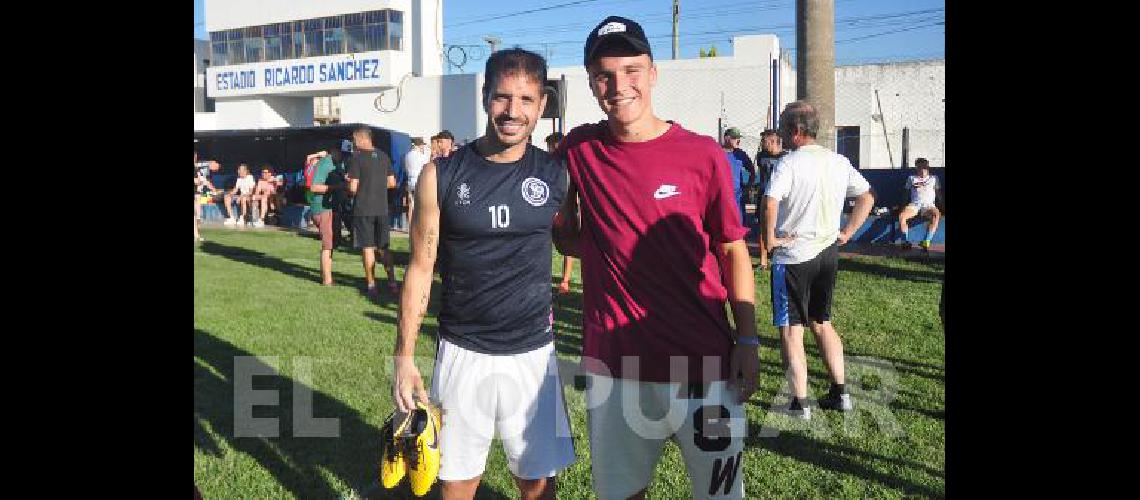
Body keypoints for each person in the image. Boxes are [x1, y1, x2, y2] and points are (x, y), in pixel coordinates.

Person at [553, 16, 757, 500]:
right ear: (590, 81)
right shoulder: (578, 149)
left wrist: (747, 338)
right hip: (614, 369)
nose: (619, 85)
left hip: (705, 366)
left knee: (721, 495)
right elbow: (566, 239)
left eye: (631, 70)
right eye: (604, 74)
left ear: (653, 73)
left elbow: (732, 250)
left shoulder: (703, 154)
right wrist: (581, 233)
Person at [392, 47, 575, 500]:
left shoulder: (557, 175)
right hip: (462, 351)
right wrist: (403, 356)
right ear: (484, 98)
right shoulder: (441, 174)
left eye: (526, 100)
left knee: (536, 485)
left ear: (542, 105)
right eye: (502, 98)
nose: (513, 111)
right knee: (458, 481)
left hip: (533, 353)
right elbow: (420, 268)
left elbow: (575, 241)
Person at [763, 100, 875, 420]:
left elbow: (771, 201)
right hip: (827, 252)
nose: (781, 134)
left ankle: (799, 403)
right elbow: (867, 195)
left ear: (796, 132)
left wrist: (770, 239)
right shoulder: (838, 161)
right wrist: (849, 231)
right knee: (822, 322)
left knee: (791, 329)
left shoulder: (789, 163)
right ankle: (840, 393)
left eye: (784, 127)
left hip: (794, 256)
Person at [347, 126, 399, 298]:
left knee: (368, 247)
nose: (354, 144)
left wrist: (350, 185)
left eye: (355, 140)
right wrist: (376, 185)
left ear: (362, 139)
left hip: (363, 209)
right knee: (384, 247)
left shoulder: (357, 158)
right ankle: (392, 282)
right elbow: (392, 183)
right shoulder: (384, 156)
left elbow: (353, 187)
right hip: (382, 209)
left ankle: (371, 284)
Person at [305, 149, 345, 286]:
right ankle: (327, 280)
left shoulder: (337, 164)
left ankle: (327, 275)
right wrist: (335, 187)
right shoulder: (324, 164)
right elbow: (314, 187)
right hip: (322, 209)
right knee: (327, 244)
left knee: (331, 244)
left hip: (330, 209)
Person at [544, 132, 575, 294]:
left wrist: (564, 211)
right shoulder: (543, 165)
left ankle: (565, 280)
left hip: (565, 210)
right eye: (550, 147)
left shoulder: (570, 166)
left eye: (556, 147)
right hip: (546, 210)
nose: (553, 150)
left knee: (567, 246)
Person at [896, 157, 942, 250]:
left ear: (928, 167)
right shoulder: (911, 178)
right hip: (914, 205)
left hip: (928, 206)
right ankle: (905, 242)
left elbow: (939, 195)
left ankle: (926, 241)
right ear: (916, 168)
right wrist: (901, 206)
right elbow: (906, 193)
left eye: (924, 166)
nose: (922, 169)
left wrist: (942, 206)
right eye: (920, 167)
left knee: (936, 215)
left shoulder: (934, 178)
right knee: (902, 216)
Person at [403, 137, 432, 227]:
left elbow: (406, 169)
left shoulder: (407, 155)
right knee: (421, 203)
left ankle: (411, 225)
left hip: (410, 180)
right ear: (419, 145)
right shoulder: (422, 156)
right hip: (419, 180)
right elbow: (427, 167)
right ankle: (420, 224)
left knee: (411, 204)